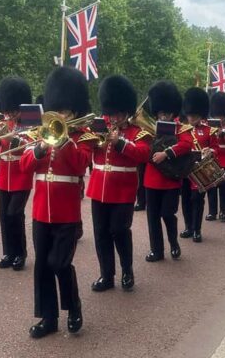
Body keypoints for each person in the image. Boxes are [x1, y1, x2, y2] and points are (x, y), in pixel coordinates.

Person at [20, 67, 94, 338]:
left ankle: (73, 307)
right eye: (57, 110)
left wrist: (63, 141)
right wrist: (39, 149)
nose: (60, 116)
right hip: (41, 209)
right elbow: (24, 166)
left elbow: (80, 165)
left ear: (74, 112)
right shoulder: (40, 134)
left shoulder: (84, 137)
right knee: (42, 265)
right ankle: (48, 318)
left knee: (59, 263)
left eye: (65, 111)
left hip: (66, 213)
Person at [87, 75, 149, 292]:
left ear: (126, 112)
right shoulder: (98, 128)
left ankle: (127, 269)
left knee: (119, 230)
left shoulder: (137, 132)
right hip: (98, 188)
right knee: (101, 233)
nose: (113, 118)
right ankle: (106, 275)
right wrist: (94, 142)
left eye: (118, 114)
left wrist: (121, 142)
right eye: (110, 114)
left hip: (123, 190)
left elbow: (143, 155)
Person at [143, 80, 193, 261]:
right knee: (152, 217)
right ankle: (157, 250)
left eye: (166, 113)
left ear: (173, 112)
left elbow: (187, 144)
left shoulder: (181, 128)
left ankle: (173, 243)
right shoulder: (149, 127)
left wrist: (167, 153)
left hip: (171, 179)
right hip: (152, 178)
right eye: (160, 113)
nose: (163, 116)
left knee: (167, 214)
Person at [0, 76, 33, 271]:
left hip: (21, 174)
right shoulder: (3, 124)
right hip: (4, 175)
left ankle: (20, 254)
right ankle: (8, 252)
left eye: (13, 111)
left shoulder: (30, 124)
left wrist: (17, 141)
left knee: (15, 213)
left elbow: (30, 147)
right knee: (4, 216)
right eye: (8, 111)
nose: (10, 114)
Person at [180, 87, 215, 242]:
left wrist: (210, 151)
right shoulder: (181, 130)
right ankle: (188, 227)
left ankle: (197, 230)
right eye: (190, 115)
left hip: (200, 169)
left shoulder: (209, 130)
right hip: (184, 169)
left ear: (201, 115)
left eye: (194, 116)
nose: (191, 118)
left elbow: (216, 149)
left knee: (198, 200)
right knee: (186, 199)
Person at [207, 92, 225, 222]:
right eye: (217, 115)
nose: (219, 117)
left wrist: (223, 135)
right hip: (213, 158)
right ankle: (212, 212)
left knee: (224, 186)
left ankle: (223, 210)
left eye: (222, 115)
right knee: (212, 187)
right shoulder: (209, 125)